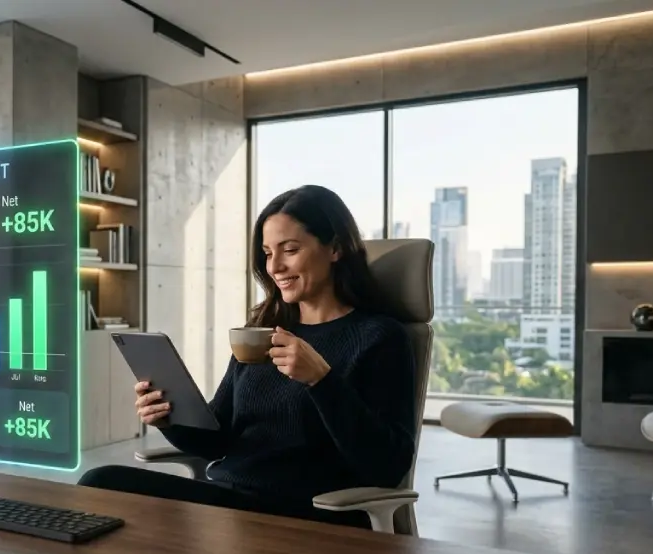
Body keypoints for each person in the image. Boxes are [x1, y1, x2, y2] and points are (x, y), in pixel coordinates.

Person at [78, 185, 417, 530]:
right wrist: (169, 419)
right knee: (100, 483)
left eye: (290, 250)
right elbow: (217, 440)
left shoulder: (379, 338)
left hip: (303, 513)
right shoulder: (260, 333)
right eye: (268, 253)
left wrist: (322, 381)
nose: (275, 266)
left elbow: (387, 466)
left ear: (335, 248)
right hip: (232, 503)